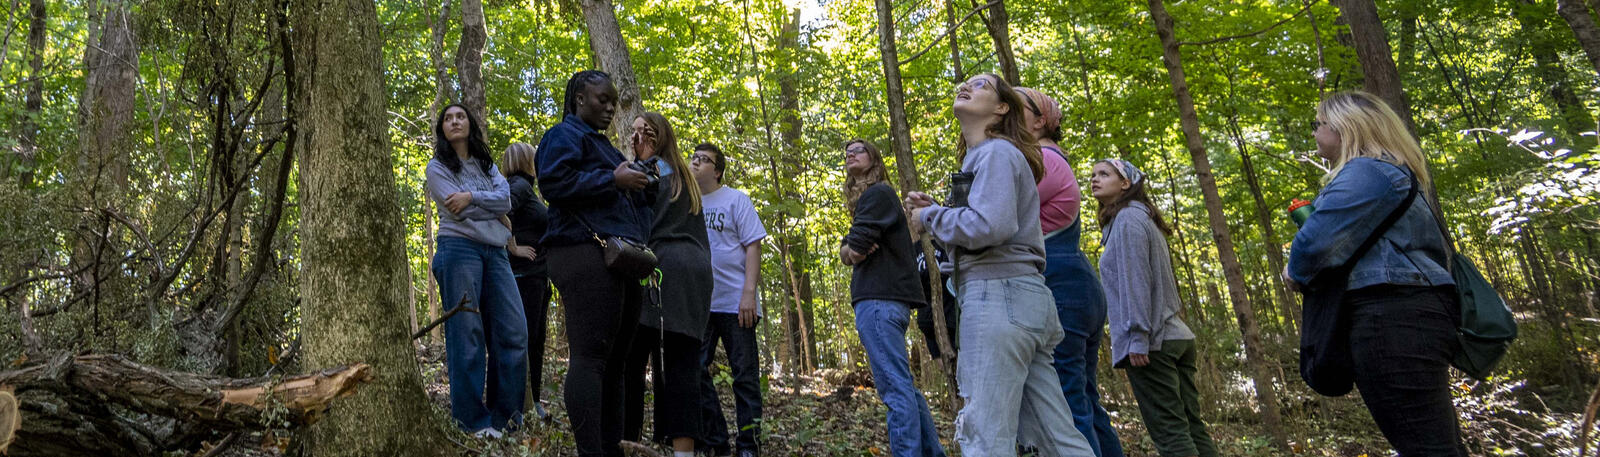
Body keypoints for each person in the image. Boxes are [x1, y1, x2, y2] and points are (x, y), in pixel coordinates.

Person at [903, 73, 1094, 456]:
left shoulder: (996, 152)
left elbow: (992, 225)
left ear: (1002, 107)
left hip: (998, 298)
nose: (967, 86)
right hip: (1020, 300)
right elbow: (983, 227)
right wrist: (939, 214)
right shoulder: (988, 156)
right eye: (966, 83)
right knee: (1056, 436)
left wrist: (930, 217)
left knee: (985, 435)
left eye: (982, 86)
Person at [1284, 91, 1463, 456]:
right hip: (1408, 312)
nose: (1315, 132)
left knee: (1428, 449)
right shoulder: (1389, 171)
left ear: (1346, 128)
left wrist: (1294, 270)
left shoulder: (1367, 170)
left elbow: (1313, 244)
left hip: (1391, 315)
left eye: (1319, 124)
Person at [536, 70, 656, 457]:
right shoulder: (563, 136)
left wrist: (641, 179)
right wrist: (613, 179)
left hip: (623, 259)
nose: (609, 108)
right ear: (579, 99)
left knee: (618, 361)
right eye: (601, 100)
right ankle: (592, 451)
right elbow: (553, 184)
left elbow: (631, 206)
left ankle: (612, 448)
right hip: (581, 252)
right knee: (590, 356)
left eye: (612, 102)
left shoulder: (606, 147)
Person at [1014, 87, 1123, 457]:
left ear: (1040, 120)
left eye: (1017, 106)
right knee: (1085, 399)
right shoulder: (1051, 158)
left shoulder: (1044, 159)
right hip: (1074, 283)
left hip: (1062, 284)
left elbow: (1005, 210)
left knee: (1066, 402)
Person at [1089, 158, 1215, 457]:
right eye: (1093, 174)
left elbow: (1137, 282)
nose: (1094, 179)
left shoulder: (1128, 221)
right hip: (1174, 336)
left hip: (1153, 343)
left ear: (1126, 183)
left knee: (1171, 435)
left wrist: (1137, 336)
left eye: (1104, 174)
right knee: (1191, 428)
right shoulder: (1140, 217)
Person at [425, 103, 529, 437]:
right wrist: (489, 207)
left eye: (460, 116)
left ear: (470, 124)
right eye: (448, 118)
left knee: (514, 331)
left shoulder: (487, 166)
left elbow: (507, 202)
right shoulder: (437, 167)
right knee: (467, 335)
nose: (454, 121)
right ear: (442, 128)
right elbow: (457, 212)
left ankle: (506, 419)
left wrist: (470, 197)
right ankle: (472, 421)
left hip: (496, 253)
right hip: (458, 249)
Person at [839, 139, 946, 457]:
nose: (850, 154)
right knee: (904, 388)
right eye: (847, 152)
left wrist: (848, 250)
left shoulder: (878, 193)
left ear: (874, 160)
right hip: (885, 303)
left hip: (878, 301)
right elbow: (854, 245)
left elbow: (854, 250)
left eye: (859, 150)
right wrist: (850, 247)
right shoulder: (873, 201)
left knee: (895, 389)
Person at [622, 112, 711, 457]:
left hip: (662, 270)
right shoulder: (684, 175)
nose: (633, 139)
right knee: (683, 362)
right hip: (697, 272)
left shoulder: (652, 171)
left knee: (632, 358)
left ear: (651, 138)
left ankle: (627, 441)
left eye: (638, 134)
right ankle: (683, 452)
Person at [691, 142, 767, 457]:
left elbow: (753, 245)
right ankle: (717, 442)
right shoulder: (687, 204)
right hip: (699, 305)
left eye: (704, 159)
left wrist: (748, 294)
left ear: (718, 171)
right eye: (693, 158)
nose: (696, 162)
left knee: (745, 378)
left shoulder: (736, 199)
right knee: (694, 371)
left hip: (737, 304)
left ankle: (749, 447)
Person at [501, 142, 553, 423]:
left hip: (535, 277)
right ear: (526, 161)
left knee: (535, 340)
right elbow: (500, 209)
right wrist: (513, 247)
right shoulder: (518, 186)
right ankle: (521, 405)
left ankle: (530, 402)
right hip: (524, 276)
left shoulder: (524, 187)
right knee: (528, 340)